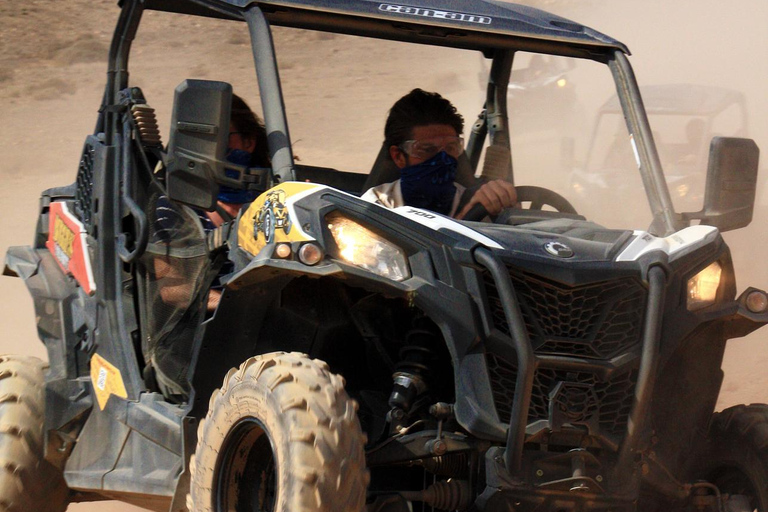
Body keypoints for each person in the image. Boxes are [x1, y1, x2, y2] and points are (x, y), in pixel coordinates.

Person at [362, 88, 517, 219]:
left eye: (450, 148)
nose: (443, 160)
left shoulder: (481, 203)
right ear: (399, 156)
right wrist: (465, 217)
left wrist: (505, 202)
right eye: (427, 150)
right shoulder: (375, 206)